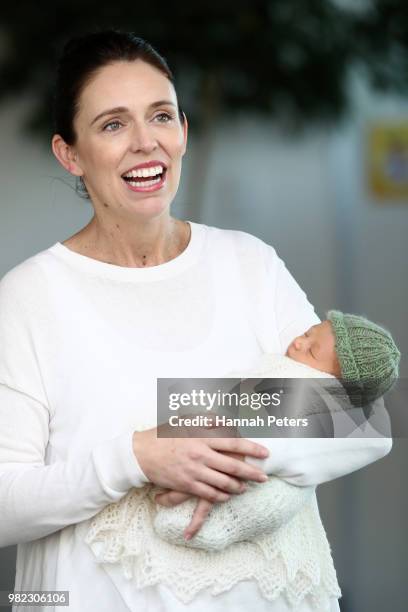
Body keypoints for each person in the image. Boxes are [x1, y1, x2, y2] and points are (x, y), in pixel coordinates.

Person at [0, 30, 392, 612]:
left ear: (183, 130)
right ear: (70, 153)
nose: (145, 142)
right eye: (112, 124)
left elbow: (370, 421)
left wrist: (199, 430)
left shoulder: (248, 262)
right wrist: (137, 456)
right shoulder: (30, 296)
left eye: (160, 115)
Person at [149, 310, 399, 546]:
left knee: (275, 498)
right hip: (212, 440)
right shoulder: (283, 366)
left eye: (311, 352)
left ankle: (217, 521)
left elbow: (378, 434)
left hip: (248, 464)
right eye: (307, 333)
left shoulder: (320, 395)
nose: (299, 343)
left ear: (336, 385)